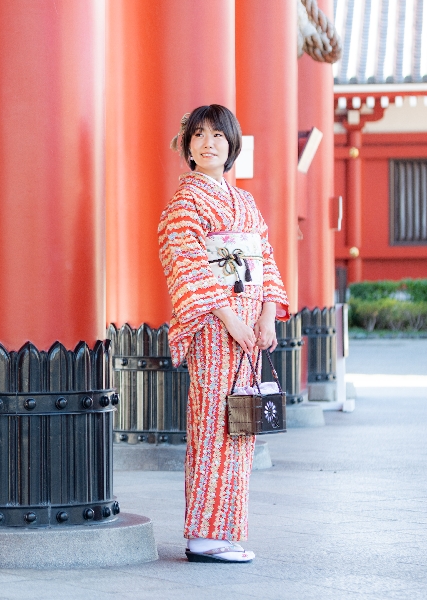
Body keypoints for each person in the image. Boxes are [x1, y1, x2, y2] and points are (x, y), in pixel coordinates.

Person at [158, 104, 289, 563]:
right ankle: (203, 536)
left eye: (217, 135)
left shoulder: (245, 202)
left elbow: (265, 258)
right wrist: (230, 318)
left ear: (232, 144)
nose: (208, 143)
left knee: (242, 423)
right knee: (214, 423)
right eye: (198, 135)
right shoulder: (185, 203)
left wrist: (267, 315)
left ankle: (226, 531)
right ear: (187, 146)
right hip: (215, 326)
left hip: (250, 325)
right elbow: (188, 265)